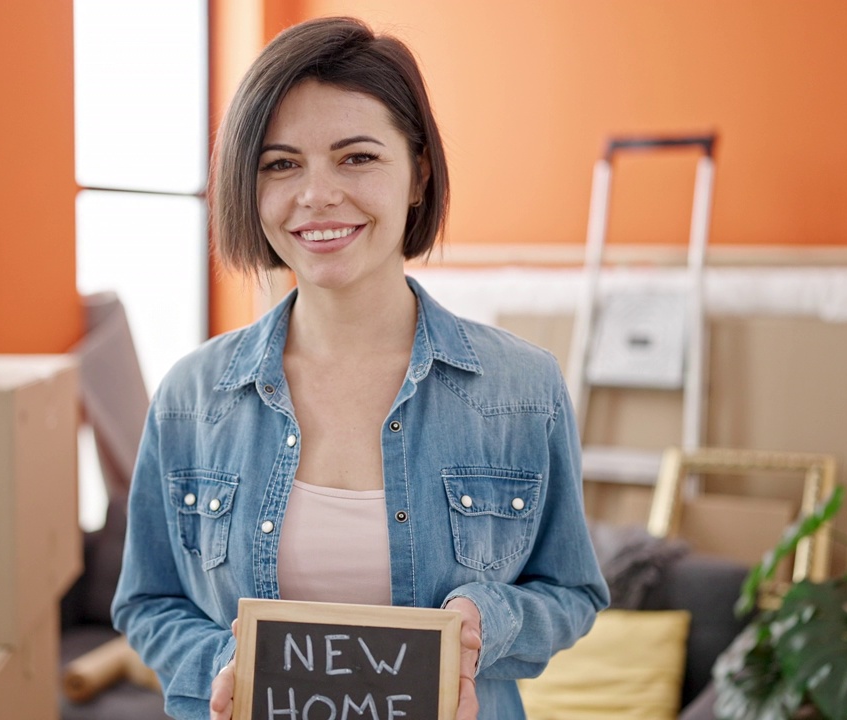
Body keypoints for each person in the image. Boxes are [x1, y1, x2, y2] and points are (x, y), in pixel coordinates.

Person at [112, 16, 608, 720]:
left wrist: (486, 620)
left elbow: (572, 591)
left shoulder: (522, 391)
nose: (317, 195)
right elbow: (148, 602)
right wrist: (229, 660)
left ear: (418, 173)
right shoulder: (192, 398)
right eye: (281, 164)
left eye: (357, 158)